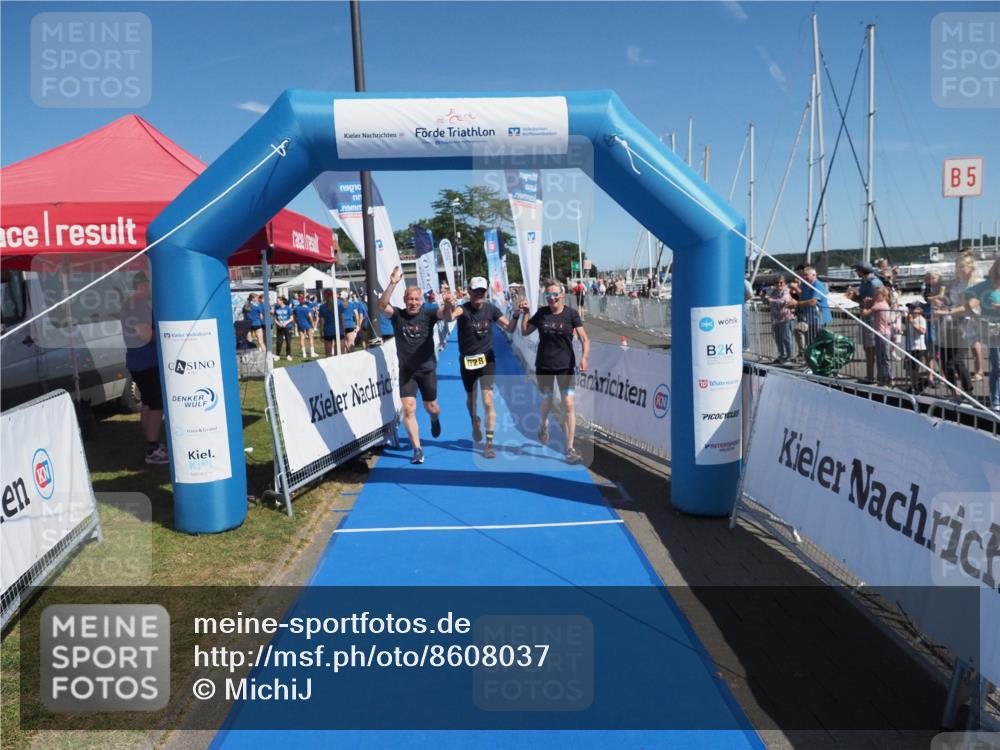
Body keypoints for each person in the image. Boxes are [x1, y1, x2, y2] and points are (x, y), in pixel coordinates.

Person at [441, 276, 519, 459]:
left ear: (486, 292)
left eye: (482, 291)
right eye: (475, 291)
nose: (479, 294)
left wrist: (516, 315)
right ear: (469, 292)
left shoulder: (491, 309)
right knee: (471, 400)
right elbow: (449, 317)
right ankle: (474, 421)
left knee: (488, 401)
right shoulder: (463, 309)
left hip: (487, 360)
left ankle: (489, 444)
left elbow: (509, 328)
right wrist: (446, 305)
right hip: (467, 360)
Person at [379, 266, 449, 464]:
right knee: (409, 408)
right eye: (410, 299)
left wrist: (449, 302)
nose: (413, 302)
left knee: (432, 407)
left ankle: (435, 419)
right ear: (404, 300)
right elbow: (381, 305)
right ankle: (417, 449)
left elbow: (445, 313)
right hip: (407, 371)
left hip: (427, 370)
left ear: (422, 301)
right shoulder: (398, 316)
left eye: (417, 299)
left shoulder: (428, 315)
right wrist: (392, 283)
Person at [519, 279, 590, 464]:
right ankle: (543, 424)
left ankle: (570, 448)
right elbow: (525, 332)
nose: (551, 298)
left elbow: (585, 338)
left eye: (555, 294)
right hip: (544, 365)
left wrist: (584, 358)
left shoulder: (571, 314)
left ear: (562, 295)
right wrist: (525, 314)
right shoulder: (542, 313)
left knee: (568, 403)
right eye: (548, 295)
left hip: (566, 366)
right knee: (548, 401)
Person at [119, 270, 168, 465]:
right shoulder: (136, 304)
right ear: (142, 285)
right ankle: (152, 448)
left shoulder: (134, 304)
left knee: (148, 403)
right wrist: (168, 337)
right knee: (156, 405)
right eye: (150, 284)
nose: (153, 289)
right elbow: (144, 334)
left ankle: (151, 444)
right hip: (145, 362)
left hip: (141, 361)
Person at [962, 258, 1000, 411]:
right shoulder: (985, 286)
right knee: (997, 365)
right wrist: (974, 315)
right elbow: (966, 296)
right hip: (994, 331)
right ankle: (996, 400)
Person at [847, 262, 884, 383]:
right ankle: (870, 376)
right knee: (867, 348)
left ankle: (878, 377)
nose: (855, 272)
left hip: (873, 318)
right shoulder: (864, 282)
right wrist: (854, 297)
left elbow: (879, 300)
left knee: (873, 348)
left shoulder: (874, 283)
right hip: (866, 317)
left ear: (861, 271)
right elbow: (863, 300)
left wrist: (866, 304)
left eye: (857, 270)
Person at [861, 286, 893, 387]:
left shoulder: (880, 305)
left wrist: (866, 304)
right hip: (880, 333)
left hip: (882, 334)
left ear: (883, 295)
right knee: (880, 356)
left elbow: (865, 313)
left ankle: (887, 379)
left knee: (883, 356)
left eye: (876, 294)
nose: (874, 296)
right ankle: (882, 378)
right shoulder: (882, 303)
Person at [796, 266, 832, 351]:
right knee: (809, 340)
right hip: (808, 318)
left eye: (806, 275)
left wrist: (797, 303)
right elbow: (802, 298)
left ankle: (819, 360)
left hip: (819, 318)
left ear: (814, 275)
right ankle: (809, 357)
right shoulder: (804, 285)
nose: (804, 277)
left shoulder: (818, 285)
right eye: (803, 275)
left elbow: (813, 302)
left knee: (818, 342)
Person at [767, 275, 795, 364]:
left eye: (781, 282)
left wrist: (772, 300)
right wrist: (764, 298)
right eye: (777, 283)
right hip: (776, 319)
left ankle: (790, 356)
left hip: (786, 318)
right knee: (777, 338)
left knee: (786, 338)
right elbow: (769, 302)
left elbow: (784, 301)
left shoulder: (786, 291)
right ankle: (782, 355)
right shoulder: (774, 291)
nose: (779, 284)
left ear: (784, 283)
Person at [904, 302, 928, 394]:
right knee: (909, 368)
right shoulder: (909, 319)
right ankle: (914, 384)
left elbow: (922, 331)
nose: (911, 311)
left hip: (918, 347)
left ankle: (917, 385)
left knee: (914, 368)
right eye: (910, 309)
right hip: (910, 346)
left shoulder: (921, 319)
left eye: (913, 308)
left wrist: (912, 323)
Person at [317, 289, 341, 357]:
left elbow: (322, 322)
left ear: (324, 296)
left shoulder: (322, 307)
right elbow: (342, 319)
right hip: (338, 330)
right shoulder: (339, 305)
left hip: (328, 331)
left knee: (328, 354)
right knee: (339, 354)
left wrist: (321, 333)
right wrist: (343, 330)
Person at [294, 293, 317, 359]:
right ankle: (312, 353)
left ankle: (304, 354)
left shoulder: (296, 308)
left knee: (302, 338)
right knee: (310, 337)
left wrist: (296, 322)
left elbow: (294, 316)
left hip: (300, 323)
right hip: (307, 324)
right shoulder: (307, 308)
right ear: (303, 300)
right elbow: (310, 317)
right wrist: (313, 325)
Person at [273, 296, 294, 360]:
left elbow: (291, 318)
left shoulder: (288, 308)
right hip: (279, 327)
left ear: (282, 301)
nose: (277, 302)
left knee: (288, 341)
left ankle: (288, 355)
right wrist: (278, 324)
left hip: (287, 327)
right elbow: (275, 318)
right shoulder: (276, 308)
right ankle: (277, 355)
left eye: (278, 300)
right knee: (279, 342)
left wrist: (285, 323)